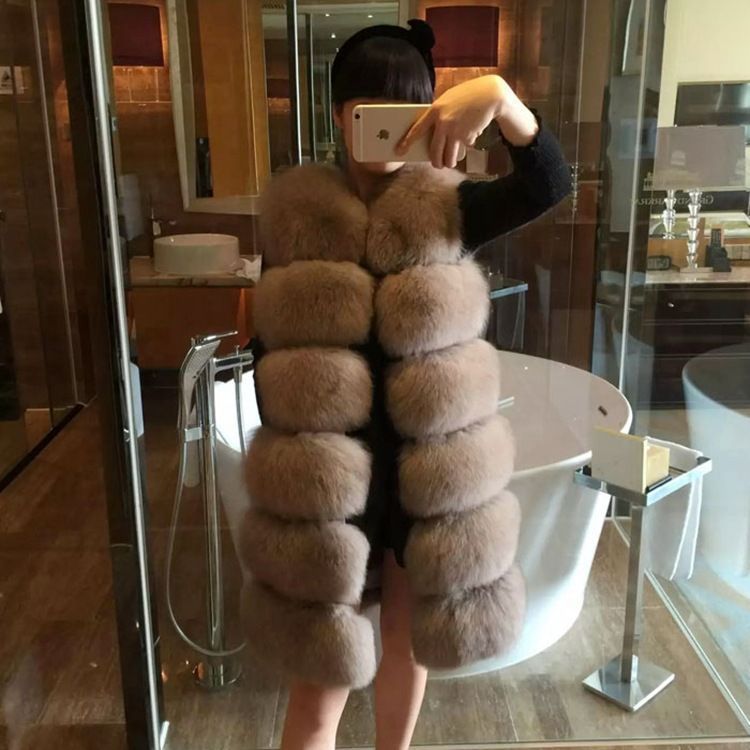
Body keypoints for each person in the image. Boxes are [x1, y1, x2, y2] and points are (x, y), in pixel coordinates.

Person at [240, 20, 572, 750]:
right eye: (369, 109)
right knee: (318, 687)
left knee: (405, 641)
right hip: (328, 486)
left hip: (428, 479)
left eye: (407, 112)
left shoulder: (449, 209)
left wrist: (500, 97)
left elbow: (548, 183)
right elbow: (269, 351)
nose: (388, 129)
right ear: (338, 113)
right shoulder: (295, 219)